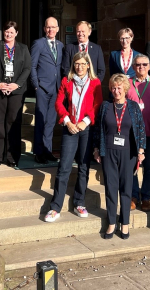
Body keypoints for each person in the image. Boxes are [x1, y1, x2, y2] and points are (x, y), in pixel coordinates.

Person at [44, 52, 102, 223]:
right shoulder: (66, 81)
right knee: (64, 167)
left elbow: (97, 104)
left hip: (86, 128)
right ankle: (55, 207)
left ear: (88, 65)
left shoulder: (95, 83)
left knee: (84, 167)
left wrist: (85, 121)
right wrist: (67, 121)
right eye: (76, 64)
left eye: (83, 64)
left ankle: (79, 202)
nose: (79, 67)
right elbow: (58, 103)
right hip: (70, 127)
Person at [93, 74, 146, 240]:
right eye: (114, 88)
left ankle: (125, 223)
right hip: (108, 151)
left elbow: (140, 129)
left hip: (128, 152)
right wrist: (96, 149)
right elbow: (98, 129)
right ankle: (111, 223)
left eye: (119, 87)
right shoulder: (105, 106)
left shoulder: (133, 107)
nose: (116, 91)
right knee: (110, 187)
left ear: (125, 88)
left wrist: (141, 151)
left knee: (126, 188)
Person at [0, 21, 31, 167]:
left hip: (16, 91)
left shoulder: (23, 48)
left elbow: (27, 68)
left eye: (11, 32)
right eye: (7, 31)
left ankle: (12, 157)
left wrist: (16, 84)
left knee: (13, 123)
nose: (8, 34)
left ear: (16, 33)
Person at [126, 54, 150, 212]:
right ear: (133, 67)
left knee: (149, 167)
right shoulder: (127, 83)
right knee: (132, 166)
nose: (141, 67)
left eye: (144, 64)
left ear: (149, 66)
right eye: (138, 65)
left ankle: (146, 196)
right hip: (131, 133)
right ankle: (134, 195)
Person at [30, 17, 64, 164]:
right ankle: (38, 152)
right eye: (48, 27)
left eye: (53, 27)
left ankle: (47, 150)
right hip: (42, 88)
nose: (51, 30)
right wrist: (36, 85)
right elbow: (32, 65)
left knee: (50, 122)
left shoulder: (61, 45)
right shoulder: (39, 43)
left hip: (56, 88)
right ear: (45, 29)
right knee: (41, 120)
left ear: (57, 29)